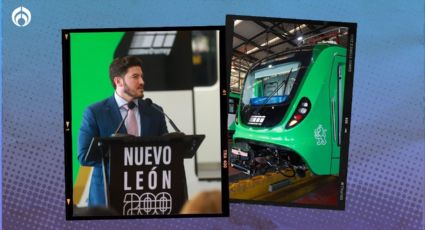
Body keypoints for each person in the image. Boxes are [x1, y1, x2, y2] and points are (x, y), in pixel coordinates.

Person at [78, 56, 168, 206]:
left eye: (141, 76)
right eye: (135, 77)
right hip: (108, 197)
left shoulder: (155, 111)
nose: (142, 82)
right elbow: (84, 156)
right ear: (118, 81)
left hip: (148, 196)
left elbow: (165, 152)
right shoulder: (95, 112)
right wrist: (120, 156)